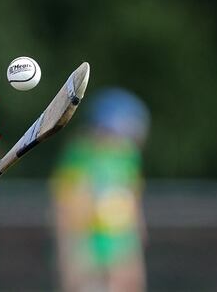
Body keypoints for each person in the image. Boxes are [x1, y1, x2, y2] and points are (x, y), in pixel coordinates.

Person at [51, 87, 151, 292]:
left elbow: (132, 200)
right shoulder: (80, 155)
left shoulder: (128, 158)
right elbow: (64, 205)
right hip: (87, 243)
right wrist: (71, 251)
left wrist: (136, 244)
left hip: (120, 243)